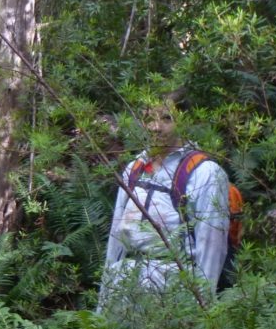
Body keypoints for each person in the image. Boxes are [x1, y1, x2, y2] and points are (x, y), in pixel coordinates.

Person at [98, 96, 231, 312]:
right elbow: (116, 241)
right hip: (123, 284)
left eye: (167, 118)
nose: (155, 127)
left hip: (173, 291)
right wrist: (102, 306)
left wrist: (201, 313)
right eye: (148, 118)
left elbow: (211, 248)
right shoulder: (134, 169)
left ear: (186, 121)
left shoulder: (205, 173)